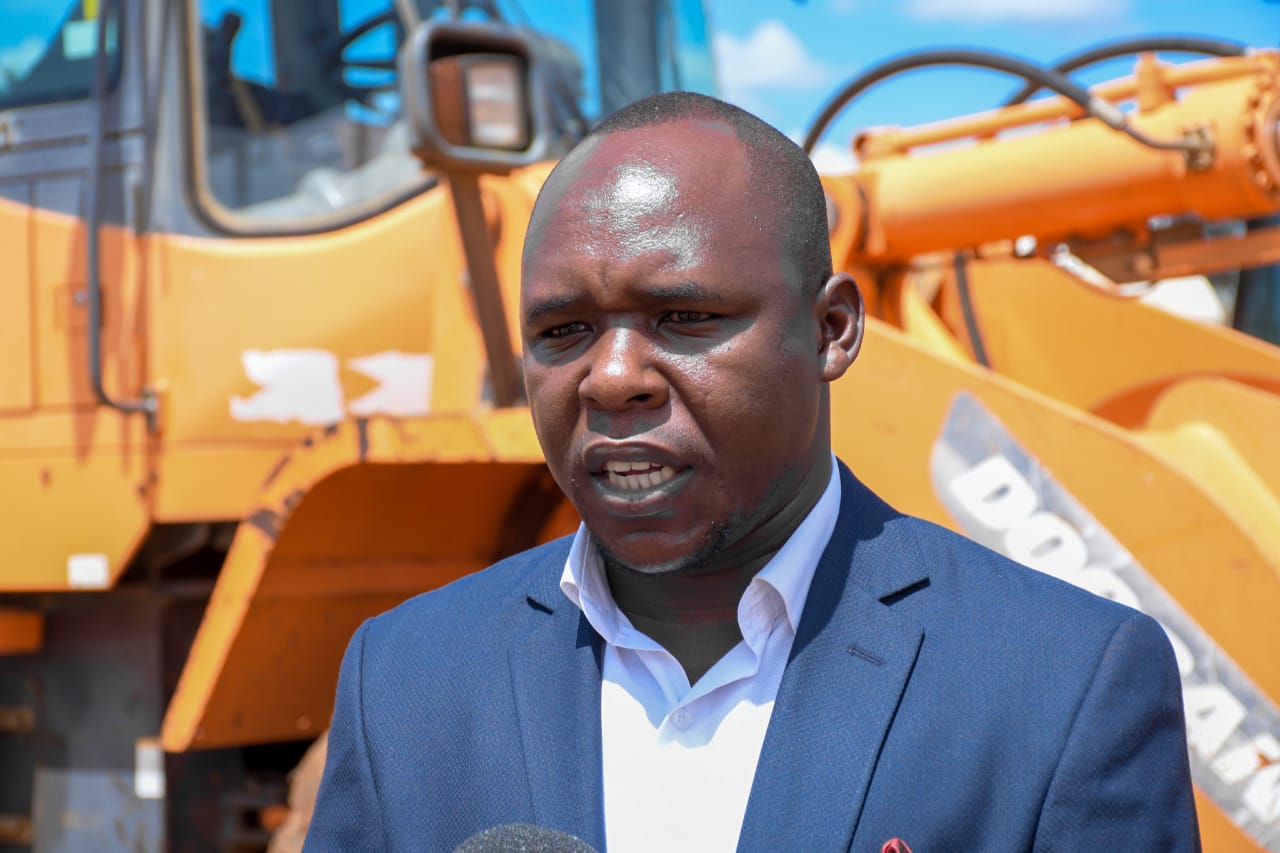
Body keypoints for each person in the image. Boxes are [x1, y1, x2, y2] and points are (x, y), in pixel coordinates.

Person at [304, 92, 1199, 852]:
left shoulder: (1065, 682)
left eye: (685, 315)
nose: (611, 377)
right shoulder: (404, 681)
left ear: (832, 330)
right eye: (563, 332)